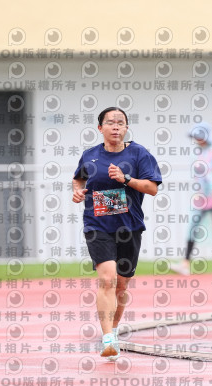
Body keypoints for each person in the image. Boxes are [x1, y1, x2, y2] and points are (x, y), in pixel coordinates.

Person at [72, 106, 162, 360]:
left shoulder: (139, 154)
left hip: (129, 227)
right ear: (100, 128)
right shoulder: (90, 156)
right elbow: (78, 179)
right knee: (107, 279)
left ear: (126, 128)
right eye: (110, 122)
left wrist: (126, 179)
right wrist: (77, 191)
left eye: (120, 122)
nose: (115, 126)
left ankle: (112, 330)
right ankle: (108, 338)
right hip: (97, 225)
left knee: (121, 286)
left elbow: (152, 188)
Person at [170, 122, 212, 276]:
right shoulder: (197, 154)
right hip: (201, 196)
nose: (197, 139)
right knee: (193, 226)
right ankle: (185, 263)